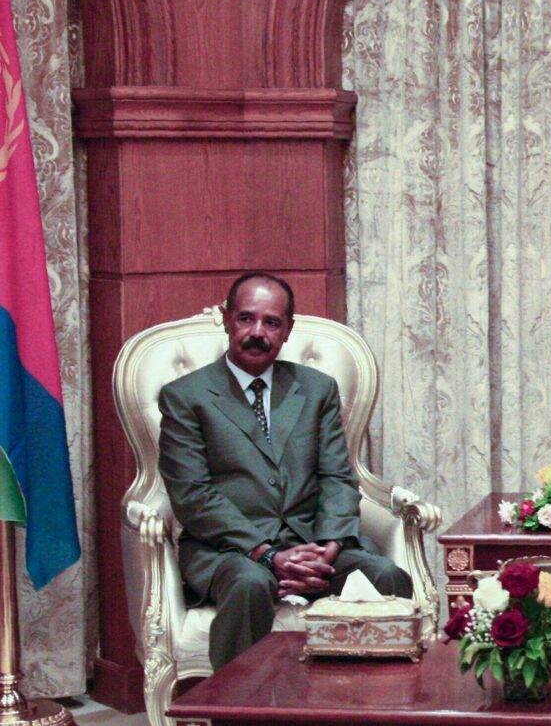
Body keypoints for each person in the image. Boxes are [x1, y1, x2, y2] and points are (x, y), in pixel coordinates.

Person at [158, 271, 411, 670]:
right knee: (250, 584)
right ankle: (237, 712)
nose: (257, 332)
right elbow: (193, 496)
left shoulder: (317, 388)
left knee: (386, 576)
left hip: (313, 545)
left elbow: (337, 476)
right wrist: (268, 553)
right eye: (246, 318)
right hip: (231, 550)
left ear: (288, 330)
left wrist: (329, 547)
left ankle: (372, 706)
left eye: (271, 322)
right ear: (227, 319)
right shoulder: (185, 397)